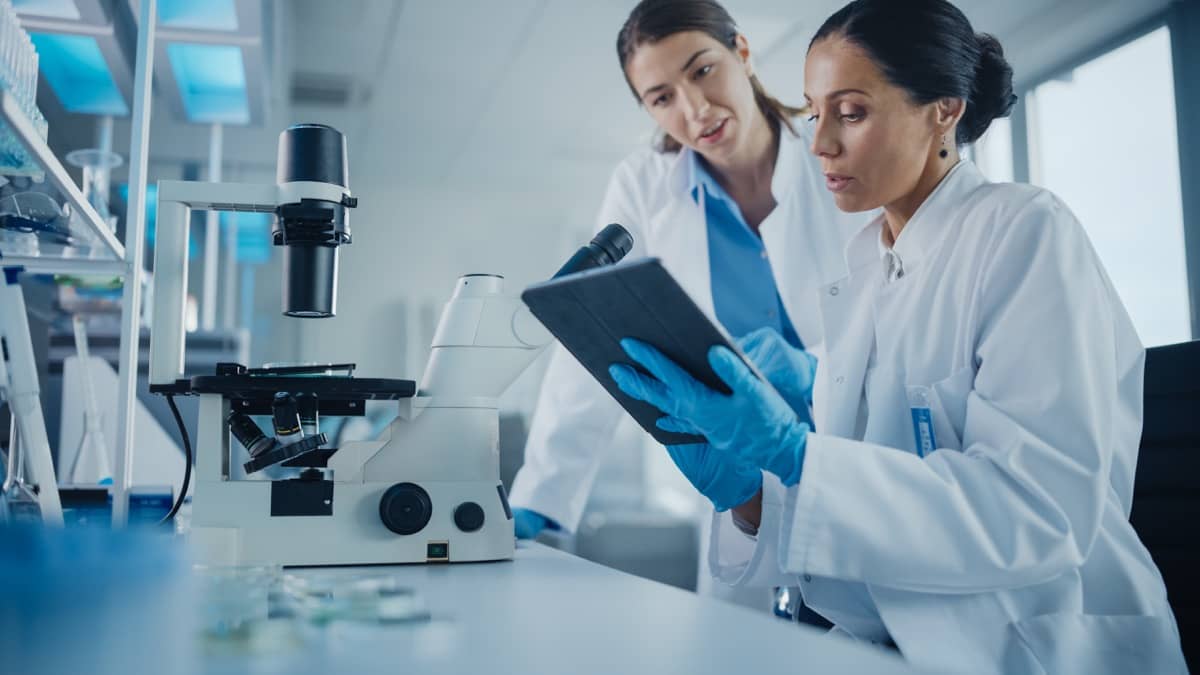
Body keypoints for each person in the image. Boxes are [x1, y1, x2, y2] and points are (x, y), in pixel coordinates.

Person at [608, 0, 1187, 671]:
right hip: (885, 642)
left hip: (1038, 645)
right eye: (813, 110)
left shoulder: (1025, 232)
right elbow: (857, 524)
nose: (819, 142)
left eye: (850, 112)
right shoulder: (864, 275)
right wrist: (748, 496)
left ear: (944, 108)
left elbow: (1038, 516)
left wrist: (797, 453)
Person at [507, 0, 864, 609]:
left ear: (743, 53)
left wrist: (820, 373)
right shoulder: (645, 184)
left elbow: (896, 308)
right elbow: (593, 339)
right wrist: (540, 497)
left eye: (702, 71)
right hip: (743, 482)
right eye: (661, 97)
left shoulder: (833, 155)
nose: (693, 110)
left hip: (859, 457)